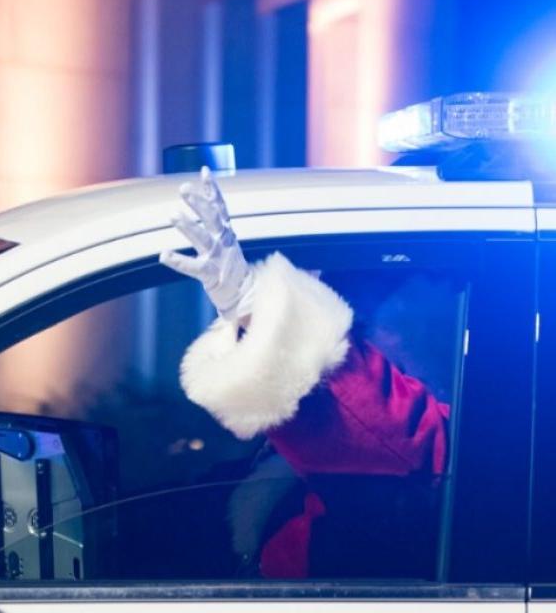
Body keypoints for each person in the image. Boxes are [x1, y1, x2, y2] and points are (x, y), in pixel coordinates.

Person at [163, 168, 450, 578]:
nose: (358, 339)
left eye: (368, 323)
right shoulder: (283, 464)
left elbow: (401, 436)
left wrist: (262, 319)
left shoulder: (442, 450)